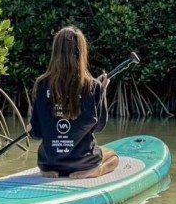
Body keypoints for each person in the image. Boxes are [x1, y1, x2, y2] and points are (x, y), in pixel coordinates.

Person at [29, 26, 119, 179]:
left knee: (48, 156)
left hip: (48, 163)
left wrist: (30, 128)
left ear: (55, 52)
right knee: (114, 157)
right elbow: (99, 127)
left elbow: (36, 133)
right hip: (82, 162)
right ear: (81, 52)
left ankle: (49, 172)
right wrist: (102, 92)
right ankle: (94, 171)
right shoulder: (93, 86)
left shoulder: (41, 84)